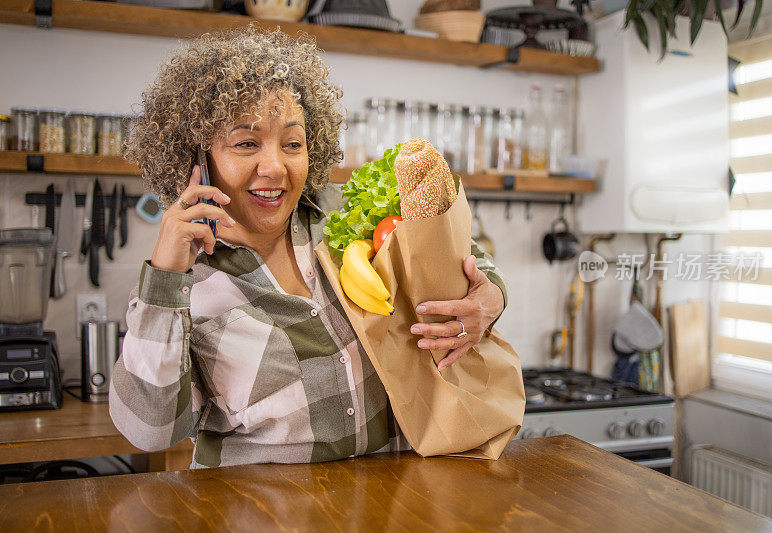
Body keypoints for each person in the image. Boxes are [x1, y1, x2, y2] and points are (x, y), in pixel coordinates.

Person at [110, 26, 508, 468]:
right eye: (246, 143)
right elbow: (148, 430)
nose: (275, 166)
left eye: (292, 144)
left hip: (398, 503)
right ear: (197, 159)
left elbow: (460, 255)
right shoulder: (183, 282)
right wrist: (166, 278)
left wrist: (490, 297)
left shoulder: (348, 218)